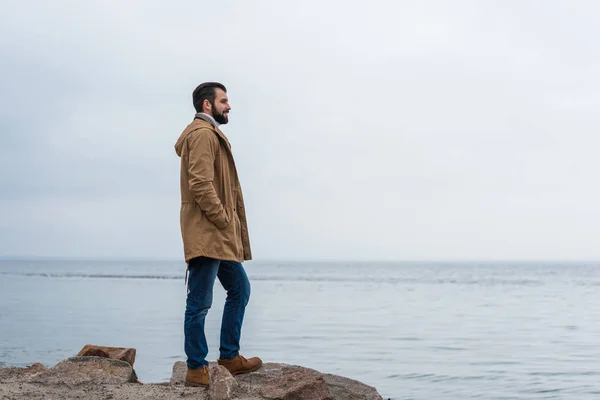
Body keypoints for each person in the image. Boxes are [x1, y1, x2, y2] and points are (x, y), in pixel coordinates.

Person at [174, 82, 261, 386]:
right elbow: (199, 184)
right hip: (207, 232)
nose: (229, 106)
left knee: (240, 289)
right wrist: (223, 217)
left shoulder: (210, 134)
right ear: (207, 105)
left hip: (218, 236)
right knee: (199, 302)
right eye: (224, 100)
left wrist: (224, 224)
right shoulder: (201, 135)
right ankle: (196, 367)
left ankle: (229, 356)